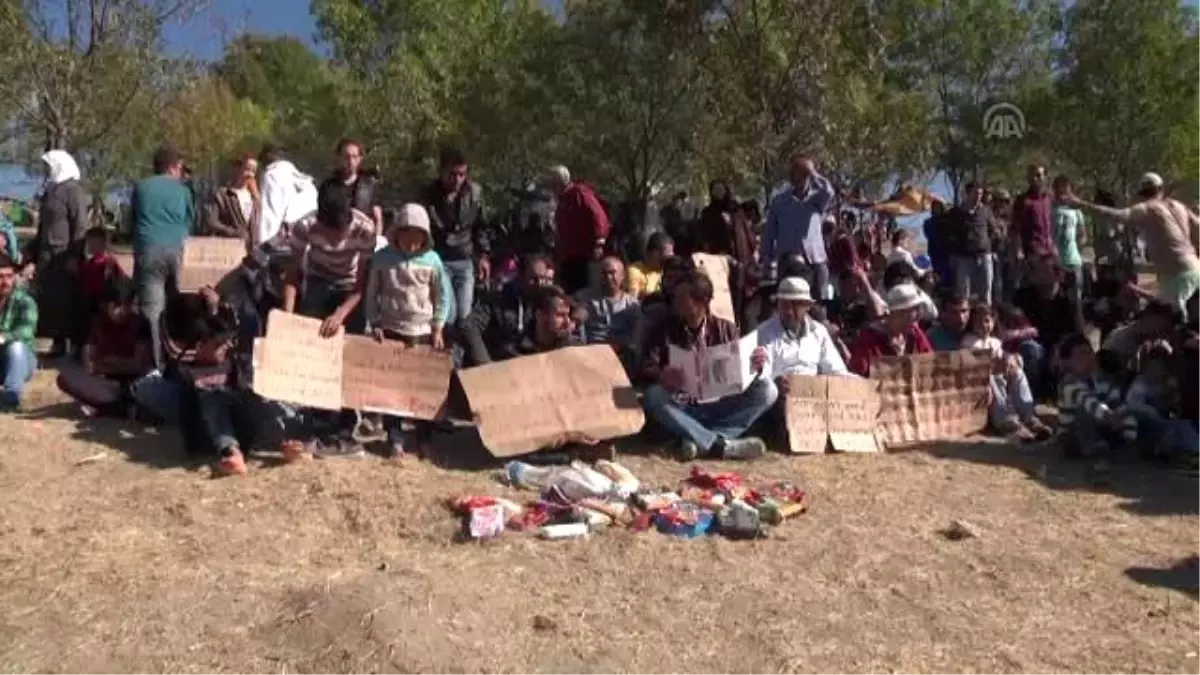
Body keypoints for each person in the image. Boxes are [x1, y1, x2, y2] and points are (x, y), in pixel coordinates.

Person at [640, 270, 778, 461]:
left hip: (720, 404)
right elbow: (647, 364)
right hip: (682, 406)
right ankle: (719, 446)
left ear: (702, 301)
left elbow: (741, 371)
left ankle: (696, 439)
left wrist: (756, 365)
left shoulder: (726, 329)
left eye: (682, 297)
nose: (676, 302)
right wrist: (661, 374)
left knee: (768, 390)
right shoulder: (663, 329)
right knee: (653, 395)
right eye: (675, 297)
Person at [283, 182, 376, 457]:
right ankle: (317, 425)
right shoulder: (304, 227)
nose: (336, 239)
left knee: (348, 356)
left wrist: (340, 315)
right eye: (330, 232)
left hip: (350, 289)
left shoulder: (365, 229)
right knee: (316, 356)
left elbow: (362, 284)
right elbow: (292, 274)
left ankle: (345, 430)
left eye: (340, 233)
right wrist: (288, 317)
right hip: (318, 281)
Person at [364, 203, 452, 458]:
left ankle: (424, 438)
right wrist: (375, 322)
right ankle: (395, 439)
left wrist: (438, 327)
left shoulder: (433, 261)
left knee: (422, 388)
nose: (411, 242)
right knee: (392, 388)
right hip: (392, 328)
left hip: (422, 330)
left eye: (417, 236)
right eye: (407, 235)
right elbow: (372, 293)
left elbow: (442, 296)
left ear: (425, 236)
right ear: (397, 233)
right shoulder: (383, 259)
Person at [1066, 172, 1200, 318]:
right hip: (1196, 268)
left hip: (1177, 278)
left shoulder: (1146, 208)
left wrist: (1082, 204)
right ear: (1161, 189)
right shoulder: (1178, 205)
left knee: (1174, 323)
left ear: (1141, 193)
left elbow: (1116, 215)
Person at [131, 145, 195, 371]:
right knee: (179, 305)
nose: (181, 172)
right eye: (180, 167)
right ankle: (182, 361)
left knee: (153, 311)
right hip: (178, 251)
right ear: (171, 167)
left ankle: (157, 367)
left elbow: (133, 221)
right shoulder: (184, 190)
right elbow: (190, 222)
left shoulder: (140, 188)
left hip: (148, 251)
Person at [27, 149, 89, 358]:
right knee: (47, 299)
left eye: (50, 166)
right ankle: (51, 341)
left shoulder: (74, 191)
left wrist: (75, 255)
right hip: (46, 256)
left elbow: (80, 225)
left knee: (64, 299)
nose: (47, 170)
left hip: (63, 255)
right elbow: (43, 227)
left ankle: (68, 344)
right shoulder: (51, 190)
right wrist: (30, 254)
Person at [56, 282, 152, 417]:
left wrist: (108, 364)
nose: (121, 311)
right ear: (106, 305)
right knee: (64, 378)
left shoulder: (141, 324)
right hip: (103, 380)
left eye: (126, 305)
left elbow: (139, 366)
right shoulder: (97, 323)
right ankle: (118, 408)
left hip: (131, 384)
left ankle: (110, 408)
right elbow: (88, 361)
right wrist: (102, 367)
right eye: (117, 306)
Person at [961, 303, 1052, 439]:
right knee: (989, 379)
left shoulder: (995, 342)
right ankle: (1007, 422)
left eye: (986, 321)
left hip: (1000, 380)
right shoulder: (969, 342)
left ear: (993, 322)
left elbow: (1003, 356)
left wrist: (1012, 359)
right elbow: (976, 366)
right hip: (980, 386)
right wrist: (997, 366)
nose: (983, 325)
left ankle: (1029, 417)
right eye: (978, 322)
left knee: (1018, 372)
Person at [421, 147, 488, 323]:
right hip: (439, 261)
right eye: (452, 174)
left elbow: (481, 227)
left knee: (464, 315)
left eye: (462, 174)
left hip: (465, 260)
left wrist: (483, 256)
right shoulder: (428, 195)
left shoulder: (475, 193)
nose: (457, 179)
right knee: (447, 314)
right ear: (441, 171)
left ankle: (458, 350)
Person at [1056, 334, 1136, 468]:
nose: (1088, 358)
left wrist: (1128, 431)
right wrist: (1108, 415)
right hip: (1073, 437)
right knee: (1085, 412)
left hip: (1101, 428)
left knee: (1133, 414)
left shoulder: (1103, 382)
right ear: (1067, 361)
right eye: (1081, 354)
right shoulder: (1068, 383)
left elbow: (1119, 405)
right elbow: (1088, 401)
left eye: (1090, 352)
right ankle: (1095, 449)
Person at [461, 253, 555, 365]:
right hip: (496, 363)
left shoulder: (549, 302)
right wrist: (485, 363)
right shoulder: (499, 298)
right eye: (533, 278)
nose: (539, 284)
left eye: (545, 279)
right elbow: (469, 326)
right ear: (521, 275)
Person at [752, 277, 848, 386]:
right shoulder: (764, 332)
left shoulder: (819, 332)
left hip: (811, 393)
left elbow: (835, 370)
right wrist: (775, 383)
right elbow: (762, 376)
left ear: (807, 306)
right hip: (778, 395)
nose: (788, 310)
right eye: (784, 304)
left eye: (794, 304)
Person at [762, 153, 835, 296]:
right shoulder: (780, 201)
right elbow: (769, 233)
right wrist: (768, 260)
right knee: (790, 298)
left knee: (822, 300)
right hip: (787, 263)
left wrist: (812, 172)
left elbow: (829, 191)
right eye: (795, 172)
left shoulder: (817, 199)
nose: (799, 177)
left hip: (815, 260)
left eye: (803, 173)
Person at [846, 283, 933, 377]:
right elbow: (858, 375)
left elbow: (931, 363)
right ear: (900, 312)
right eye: (916, 310)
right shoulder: (869, 338)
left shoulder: (915, 334)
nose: (919, 314)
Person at [548, 164, 610, 295]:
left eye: (552, 182)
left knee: (583, 291)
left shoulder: (579, 193)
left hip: (583, 254)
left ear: (559, 181)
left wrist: (599, 241)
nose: (550, 187)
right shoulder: (563, 199)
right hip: (568, 254)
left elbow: (598, 215)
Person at [73, 226, 127, 354]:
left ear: (103, 244)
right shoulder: (88, 263)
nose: (91, 246)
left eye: (95, 243)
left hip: (102, 301)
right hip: (89, 300)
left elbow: (119, 283)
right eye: (89, 243)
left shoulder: (108, 262)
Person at [573, 256, 640, 350]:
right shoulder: (585, 297)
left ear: (622, 275)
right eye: (604, 273)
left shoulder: (632, 305)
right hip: (591, 350)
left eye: (612, 273)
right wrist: (576, 315)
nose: (608, 277)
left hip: (621, 352)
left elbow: (637, 334)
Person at [257, 144, 318, 247]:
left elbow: (270, 211)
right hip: (285, 235)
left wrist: (290, 217)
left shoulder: (277, 172)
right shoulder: (269, 173)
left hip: (278, 236)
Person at [948, 180, 996, 305]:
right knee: (964, 295)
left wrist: (987, 244)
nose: (978, 197)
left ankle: (986, 319)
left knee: (986, 293)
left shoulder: (986, 211)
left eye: (980, 194)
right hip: (964, 258)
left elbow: (993, 230)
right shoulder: (956, 212)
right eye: (975, 193)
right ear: (968, 194)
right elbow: (950, 234)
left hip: (984, 256)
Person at [0, 254, 37, 409]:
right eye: (0, 277)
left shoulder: (25, 302)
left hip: (19, 361)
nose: (5, 282)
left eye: (9, 276)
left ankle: (11, 396)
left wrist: (2, 337)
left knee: (16, 347)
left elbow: (26, 332)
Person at [323, 139, 382, 235]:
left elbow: (378, 218)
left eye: (354, 157)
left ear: (360, 158)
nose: (350, 161)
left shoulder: (370, 186)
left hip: (363, 242)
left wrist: (377, 241)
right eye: (346, 157)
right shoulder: (327, 187)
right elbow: (321, 219)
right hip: (334, 241)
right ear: (339, 158)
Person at [1100, 302, 1177, 375]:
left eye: (1163, 330)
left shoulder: (1143, 343)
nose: (1158, 333)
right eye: (1159, 327)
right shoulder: (1120, 340)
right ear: (1147, 316)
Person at [201, 153, 260, 244]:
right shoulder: (223, 195)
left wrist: (257, 198)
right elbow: (211, 221)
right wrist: (232, 232)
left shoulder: (254, 197)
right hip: (230, 247)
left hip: (251, 249)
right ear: (237, 169)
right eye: (247, 169)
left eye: (253, 171)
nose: (250, 175)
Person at [1051, 175, 1086, 323]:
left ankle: (1079, 335)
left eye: (1066, 189)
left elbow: (1083, 235)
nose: (1063, 192)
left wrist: (1078, 246)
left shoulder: (1076, 211)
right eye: (1059, 188)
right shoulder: (1050, 209)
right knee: (1056, 301)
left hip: (1073, 261)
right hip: (1054, 263)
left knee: (1076, 303)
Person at [1011, 164, 1054, 263]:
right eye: (1032, 176)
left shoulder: (1049, 199)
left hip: (1050, 252)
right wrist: (1018, 250)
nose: (1035, 179)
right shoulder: (1023, 200)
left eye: (1039, 175)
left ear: (1045, 177)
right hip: (1032, 253)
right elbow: (1015, 228)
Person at [695, 180, 738, 255]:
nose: (719, 192)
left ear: (725, 190)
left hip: (736, 250)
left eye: (721, 189)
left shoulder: (734, 208)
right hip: (716, 251)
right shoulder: (707, 212)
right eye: (715, 190)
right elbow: (704, 234)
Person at [626, 232, 673, 299]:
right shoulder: (635, 270)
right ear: (652, 253)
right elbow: (632, 299)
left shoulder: (670, 271)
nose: (666, 262)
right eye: (663, 259)